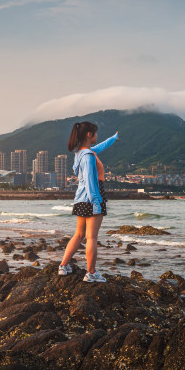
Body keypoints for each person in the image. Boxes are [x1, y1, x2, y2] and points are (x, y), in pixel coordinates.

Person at [58, 120, 119, 282]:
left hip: (81, 198)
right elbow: (91, 182)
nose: (97, 136)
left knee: (79, 235)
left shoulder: (81, 153)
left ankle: (63, 266)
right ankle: (91, 273)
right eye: (95, 133)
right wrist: (96, 203)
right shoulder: (88, 157)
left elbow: (99, 148)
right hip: (92, 197)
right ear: (89, 135)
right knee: (91, 237)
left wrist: (113, 139)